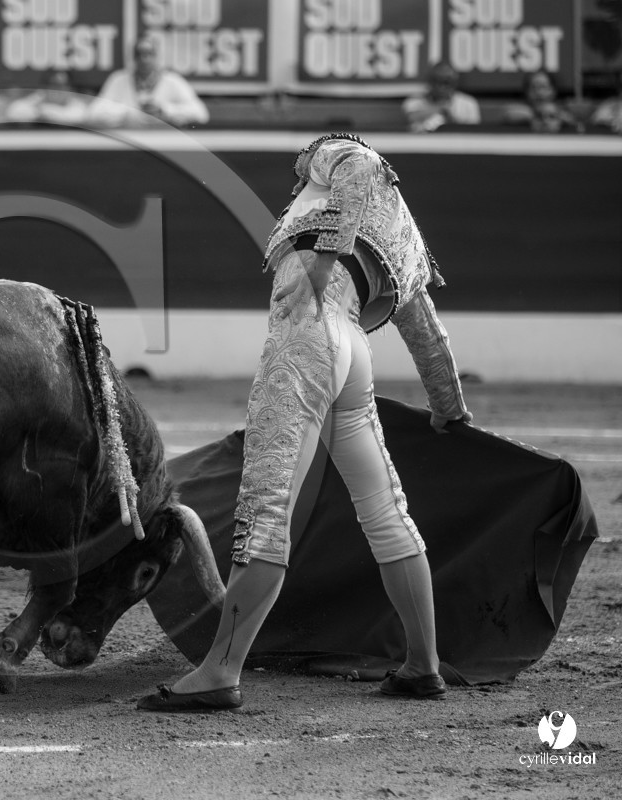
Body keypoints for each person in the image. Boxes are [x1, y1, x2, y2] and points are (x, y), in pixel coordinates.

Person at [137, 133, 472, 712]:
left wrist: (324, 256)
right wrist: (449, 409)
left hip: (307, 341)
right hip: (353, 355)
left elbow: (361, 166)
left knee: (266, 513)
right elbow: (428, 338)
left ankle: (220, 671)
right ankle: (423, 665)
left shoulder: (339, 156)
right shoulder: (405, 240)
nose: (297, 182)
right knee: (387, 512)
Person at [87, 37, 209, 128]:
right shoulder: (119, 79)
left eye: (149, 54)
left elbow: (200, 114)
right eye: (139, 54)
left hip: (167, 146)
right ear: (133, 58)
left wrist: (164, 110)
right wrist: (129, 112)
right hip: (128, 144)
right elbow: (94, 113)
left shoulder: (173, 81)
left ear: (157, 56)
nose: (144, 59)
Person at [402, 62, 480, 132]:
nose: (441, 86)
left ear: (454, 83)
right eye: (437, 81)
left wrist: (452, 123)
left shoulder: (468, 104)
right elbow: (411, 117)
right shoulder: (414, 101)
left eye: (446, 82)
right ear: (429, 82)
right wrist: (440, 110)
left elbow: (473, 133)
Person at [504, 71, 580, 133]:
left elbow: (578, 125)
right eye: (534, 88)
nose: (539, 92)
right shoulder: (521, 113)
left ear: (553, 91)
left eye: (543, 87)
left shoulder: (564, 114)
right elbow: (509, 115)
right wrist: (536, 116)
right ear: (526, 92)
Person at [5, 70, 89, 125]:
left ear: (69, 88)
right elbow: (13, 110)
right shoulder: (39, 97)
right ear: (45, 87)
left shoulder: (77, 105)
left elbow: (79, 116)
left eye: (61, 86)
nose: (57, 90)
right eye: (52, 85)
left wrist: (45, 113)